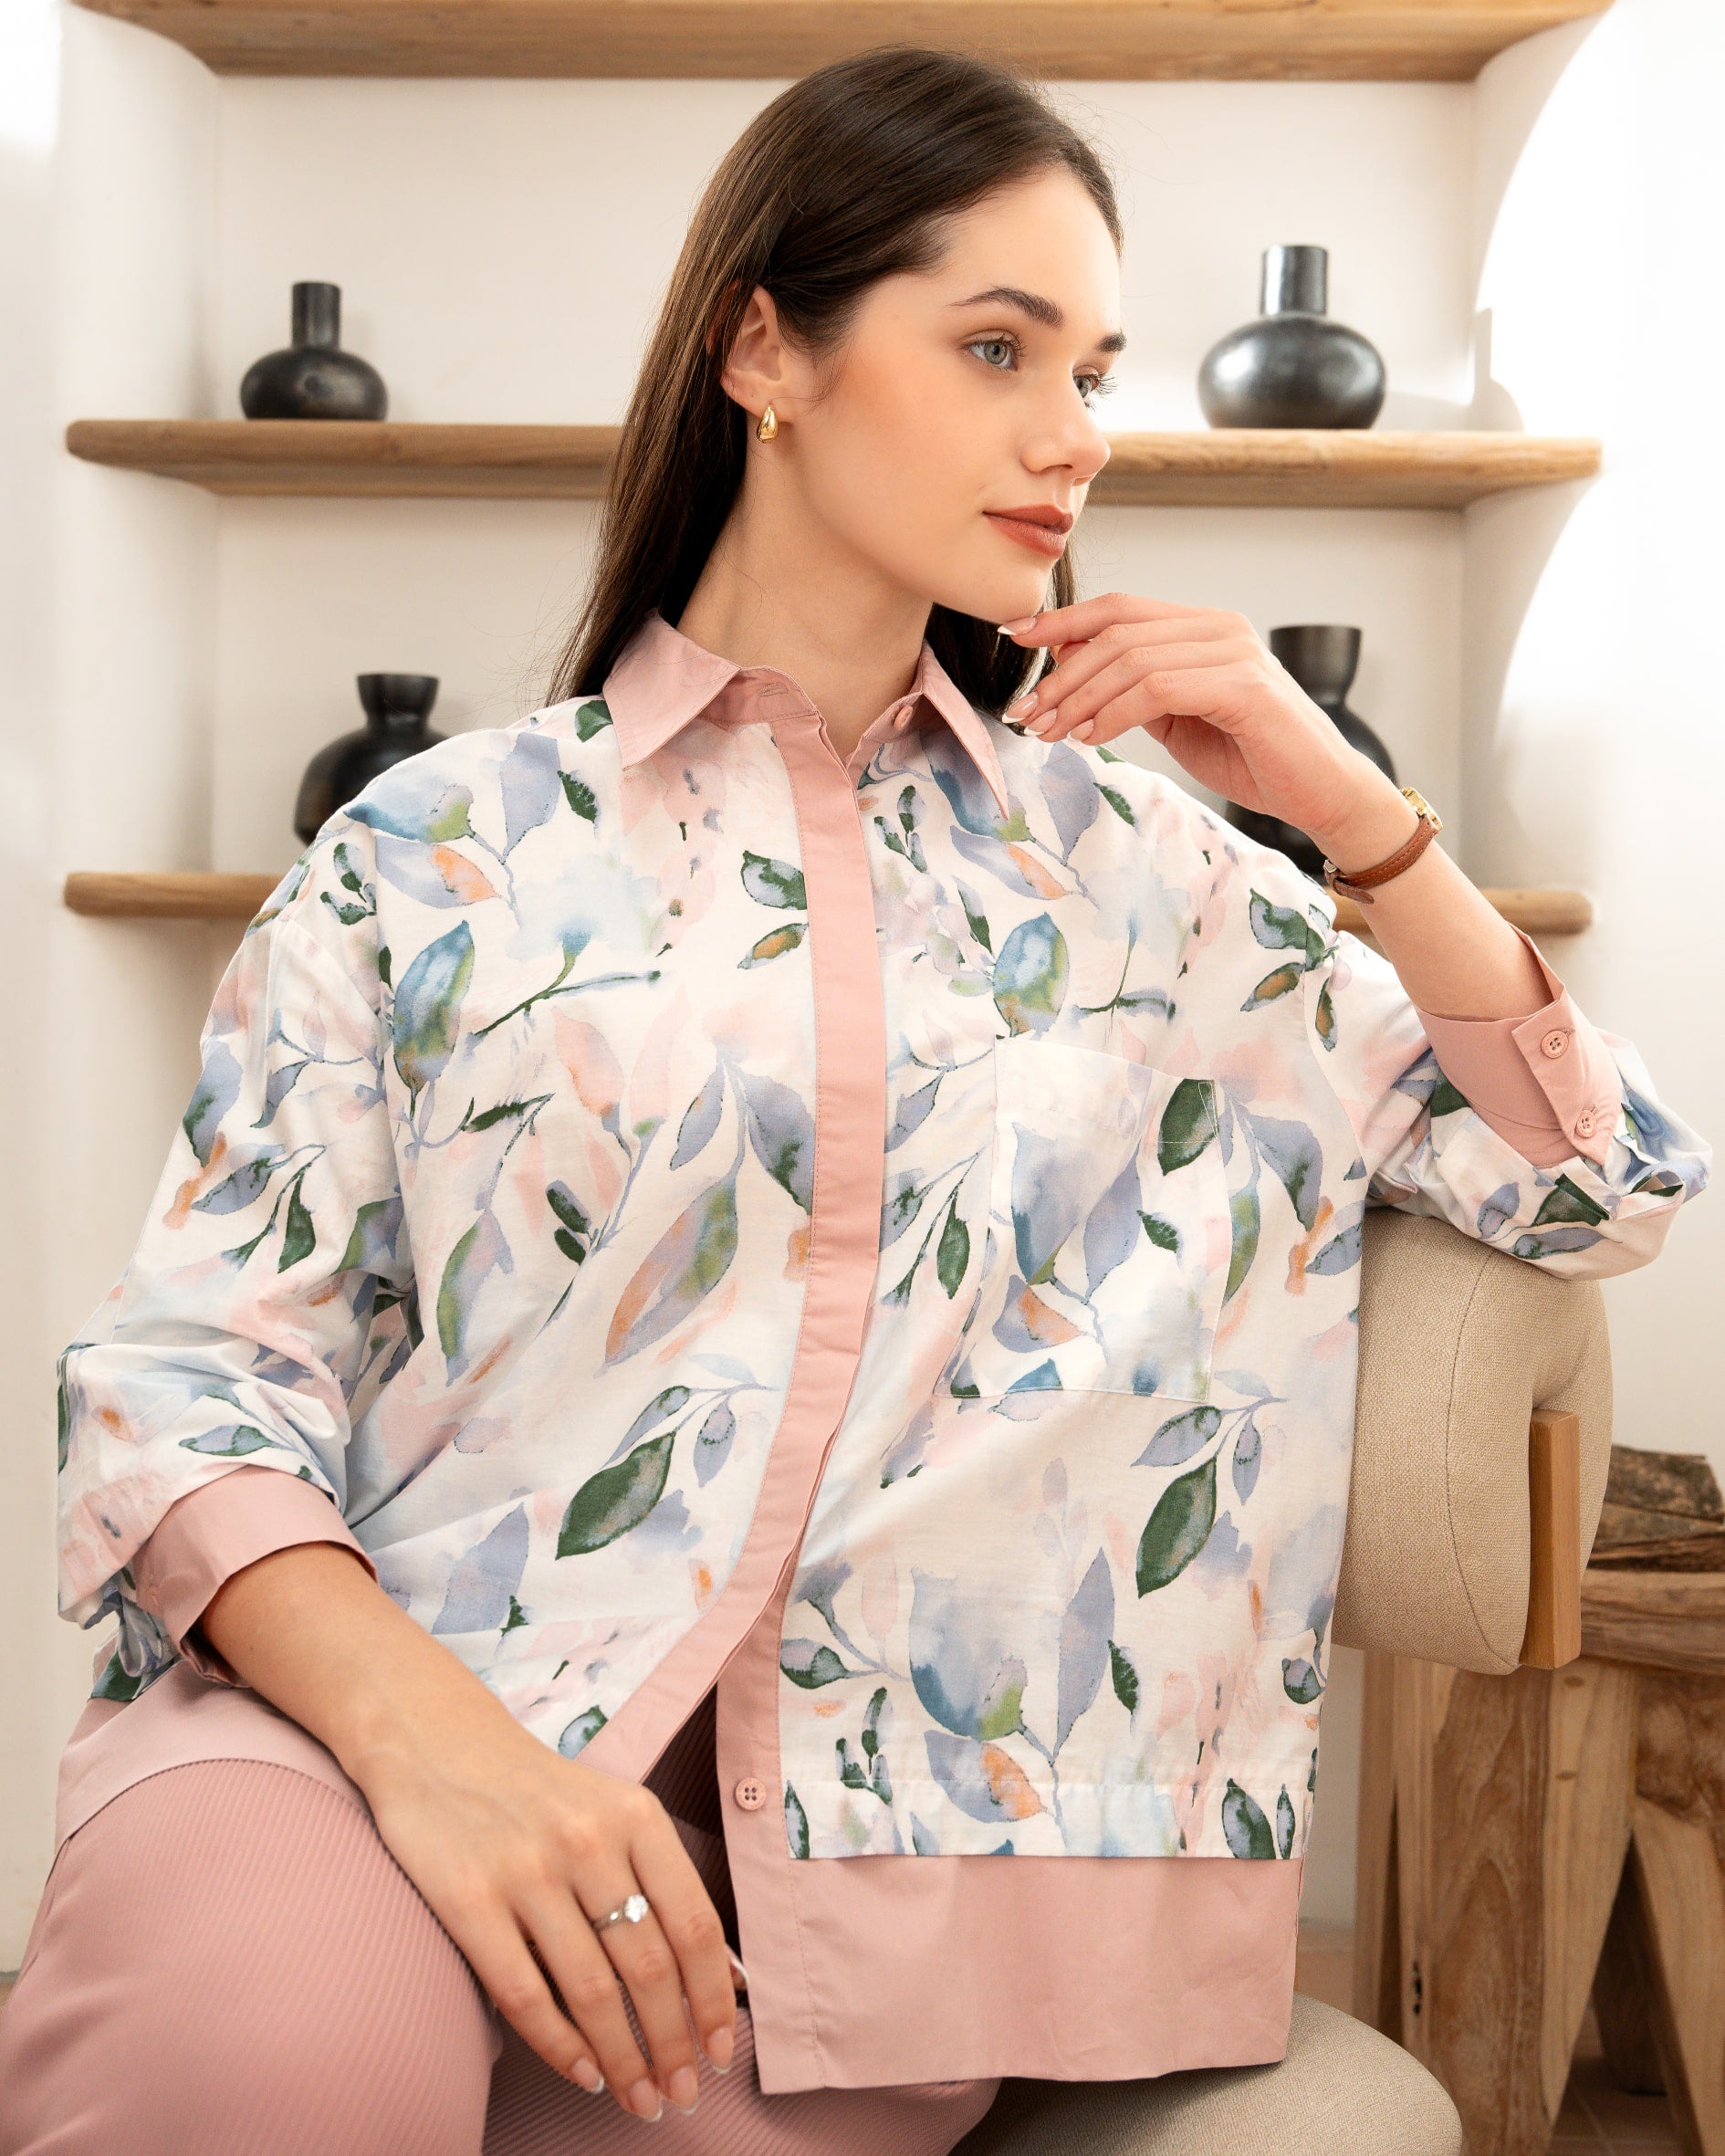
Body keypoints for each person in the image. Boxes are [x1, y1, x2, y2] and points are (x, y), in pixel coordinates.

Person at [1, 41, 1709, 2156]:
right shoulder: (434, 849)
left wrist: (1359, 816)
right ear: (764, 353)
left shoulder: (1158, 888)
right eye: (998, 347)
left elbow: (1602, 1182)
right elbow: (187, 1374)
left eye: (1094, 369)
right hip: (359, 1749)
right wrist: (447, 1757)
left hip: (860, 1902)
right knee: (280, 2064)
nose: (1074, 433)